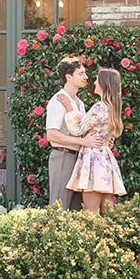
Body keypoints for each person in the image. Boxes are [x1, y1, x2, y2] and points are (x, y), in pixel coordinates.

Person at [44, 57, 103, 209]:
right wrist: (84, 142)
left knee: (75, 209)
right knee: (59, 207)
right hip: (63, 157)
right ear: (69, 77)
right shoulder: (58, 100)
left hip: (79, 158)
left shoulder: (79, 103)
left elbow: (81, 130)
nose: (86, 77)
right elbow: (52, 135)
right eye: (81, 74)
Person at [66, 68, 126, 214]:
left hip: (93, 159)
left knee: (90, 212)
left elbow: (78, 129)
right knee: (108, 213)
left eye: (97, 80)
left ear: (104, 84)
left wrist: (70, 109)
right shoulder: (113, 108)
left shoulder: (99, 107)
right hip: (106, 159)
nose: (94, 82)